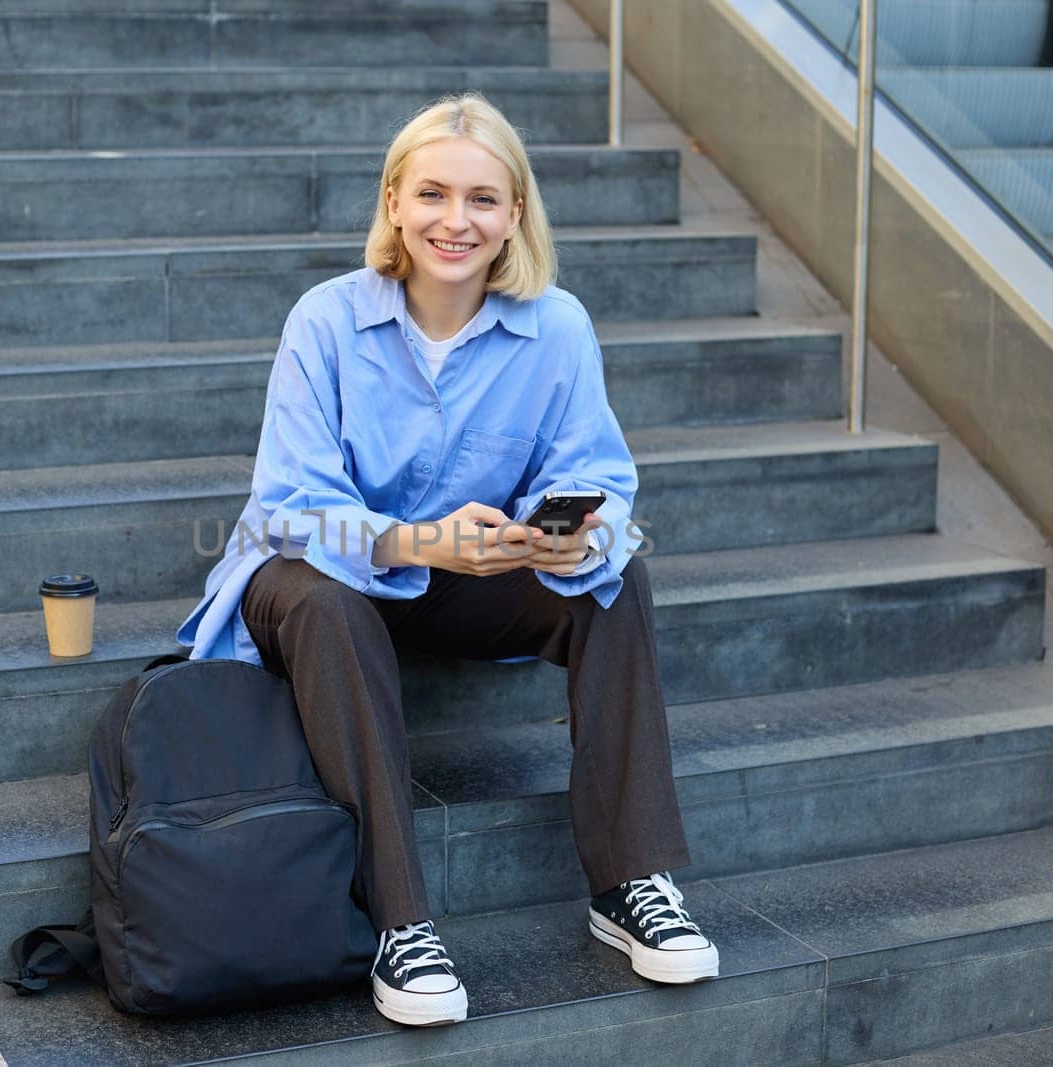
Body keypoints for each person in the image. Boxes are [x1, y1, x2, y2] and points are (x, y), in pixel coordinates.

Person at [175, 92, 718, 1028]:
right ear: (393, 202)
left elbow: (595, 468)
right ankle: (400, 922)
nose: (454, 221)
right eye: (432, 193)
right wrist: (418, 540)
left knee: (615, 580)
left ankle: (632, 883)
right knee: (327, 601)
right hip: (314, 584)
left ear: (515, 214)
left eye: (481, 199)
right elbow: (290, 509)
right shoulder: (327, 321)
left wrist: (574, 532)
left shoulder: (558, 327)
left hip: (467, 579)